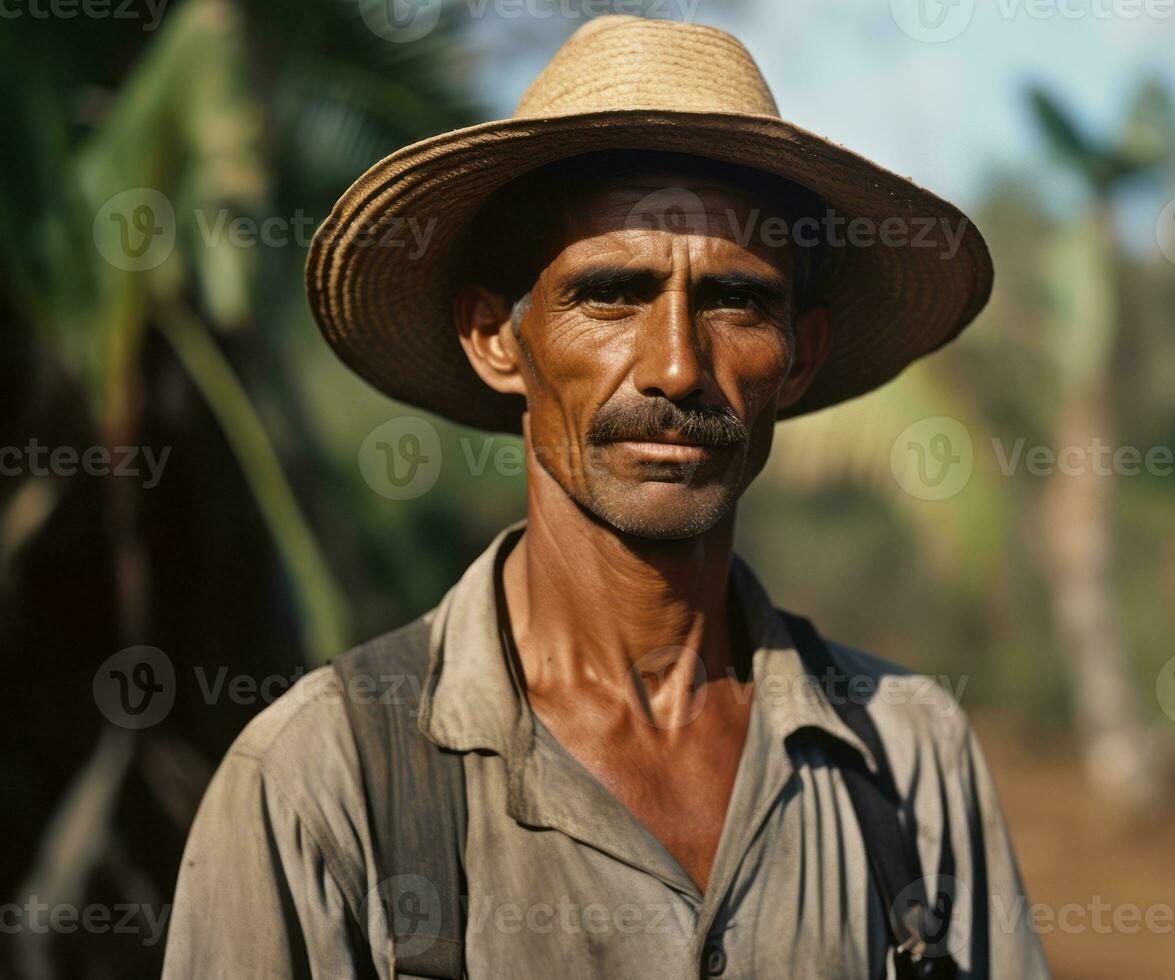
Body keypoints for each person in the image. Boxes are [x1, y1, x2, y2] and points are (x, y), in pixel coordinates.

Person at [164, 15, 1049, 979]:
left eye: (736, 302)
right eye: (611, 294)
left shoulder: (907, 761)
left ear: (802, 358)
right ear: (494, 339)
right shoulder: (320, 781)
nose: (676, 367)